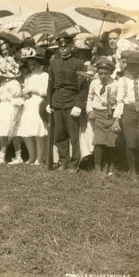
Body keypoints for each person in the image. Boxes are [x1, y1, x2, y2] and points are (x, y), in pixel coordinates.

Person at [46, 32, 88, 173]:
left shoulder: (78, 63)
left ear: (71, 47)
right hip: (57, 101)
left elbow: (82, 87)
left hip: (72, 101)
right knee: (59, 135)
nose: (62, 48)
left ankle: (74, 164)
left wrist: (78, 105)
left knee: (73, 135)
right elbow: (50, 84)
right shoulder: (54, 63)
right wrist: (48, 102)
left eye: (65, 46)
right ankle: (63, 162)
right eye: (60, 46)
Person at [112, 52, 139, 180]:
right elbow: (120, 101)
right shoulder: (123, 81)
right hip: (128, 112)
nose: (134, 68)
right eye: (131, 65)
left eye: (137, 66)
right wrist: (116, 119)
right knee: (131, 141)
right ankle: (132, 170)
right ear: (128, 66)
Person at [0, 56, 23, 165]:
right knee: (4, 133)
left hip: (11, 108)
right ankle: (2, 157)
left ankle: (18, 156)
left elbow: (17, 101)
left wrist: (15, 117)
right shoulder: (4, 83)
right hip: (3, 108)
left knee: (13, 133)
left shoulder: (14, 84)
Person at [86, 58, 119, 177]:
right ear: (97, 73)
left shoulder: (116, 84)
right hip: (98, 114)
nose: (103, 76)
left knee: (112, 141)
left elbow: (120, 101)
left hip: (112, 114)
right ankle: (97, 166)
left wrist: (117, 118)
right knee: (99, 141)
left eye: (106, 73)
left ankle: (109, 165)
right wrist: (89, 110)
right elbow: (89, 97)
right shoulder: (94, 83)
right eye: (100, 73)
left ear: (110, 73)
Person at [17, 48, 49, 165]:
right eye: (30, 64)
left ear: (40, 64)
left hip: (38, 103)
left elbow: (45, 91)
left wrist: (31, 89)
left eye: (34, 64)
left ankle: (40, 158)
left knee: (38, 131)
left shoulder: (44, 75)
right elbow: (25, 91)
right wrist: (25, 94)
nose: (32, 67)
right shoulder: (28, 77)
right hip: (28, 105)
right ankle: (32, 155)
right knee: (26, 131)